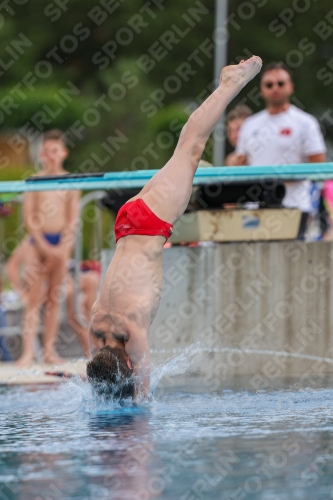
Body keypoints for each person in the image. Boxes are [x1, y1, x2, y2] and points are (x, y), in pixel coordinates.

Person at [87, 56, 263, 401]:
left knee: (191, 147)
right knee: (186, 150)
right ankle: (229, 85)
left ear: (125, 360)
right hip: (127, 224)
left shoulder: (130, 326)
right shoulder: (96, 326)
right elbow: (97, 367)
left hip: (151, 224)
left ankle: (231, 83)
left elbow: (144, 385)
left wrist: (138, 404)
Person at [236, 62, 326, 239]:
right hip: (255, 208)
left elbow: (318, 166)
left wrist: (279, 182)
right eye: (269, 84)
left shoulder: (305, 122)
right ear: (261, 90)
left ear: (290, 87)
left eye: (281, 83)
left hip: (293, 205)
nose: (275, 88)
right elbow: (239, 164)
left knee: (291, 260)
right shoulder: (250, 124)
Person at [18, 130, 80, 366]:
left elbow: (72, 220)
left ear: (64, 153)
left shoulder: (70, 182)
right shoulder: (34, 181)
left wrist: (63, 248)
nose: (51, 155)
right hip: (38, 243)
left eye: (55, 150)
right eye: (47, 151)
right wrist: (45, 247)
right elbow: (30, 220)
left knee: (54, 298)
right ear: (42, 154)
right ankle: (27, 353)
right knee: (34, 297)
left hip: (59, 244)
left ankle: (49, 351)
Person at [5, 237, 100, 358]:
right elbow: (11, 267)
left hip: (60, 279)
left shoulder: (60, 237)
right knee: (72, 300)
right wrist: (21, 291)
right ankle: (89, 347)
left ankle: (90, 321)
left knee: (91, 280)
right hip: (45, 285)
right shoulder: (30, 243)